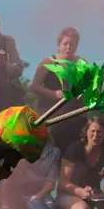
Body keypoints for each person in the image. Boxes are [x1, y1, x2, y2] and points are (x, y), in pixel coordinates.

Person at [30, 27, 85, 155]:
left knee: (74, 154)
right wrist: (53, 94)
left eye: (72, 44)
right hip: (52, 117)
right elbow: (34, 86)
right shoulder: (48, 62)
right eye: (65, 43)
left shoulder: (82, 63)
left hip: (75, 117)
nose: (68, 47)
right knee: (52, 153)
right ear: (59, 45)